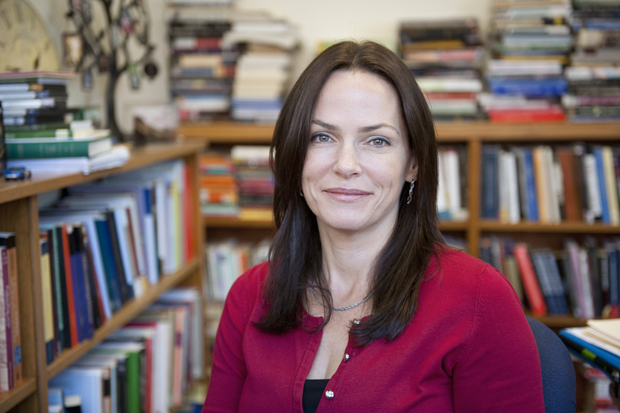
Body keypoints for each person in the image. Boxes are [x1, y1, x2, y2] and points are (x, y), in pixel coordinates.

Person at [202, 40, 545, 413]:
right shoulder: (249, 296)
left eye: (377, 140)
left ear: (413, 163)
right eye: (321, 137)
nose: (346, 164)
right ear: (294, 155)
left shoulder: (479, 298)